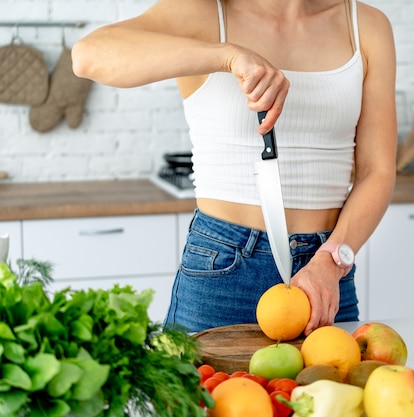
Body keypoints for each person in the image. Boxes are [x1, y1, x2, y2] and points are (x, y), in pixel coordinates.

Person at [72, 0, 397, 335]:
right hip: (225, 266)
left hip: (327, 273)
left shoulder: (366, 26)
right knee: (205, 388)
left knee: (328, 388)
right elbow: (88, 55)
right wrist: (227, 56)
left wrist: (330, 262)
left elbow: (377, 171)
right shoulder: (204, 13)